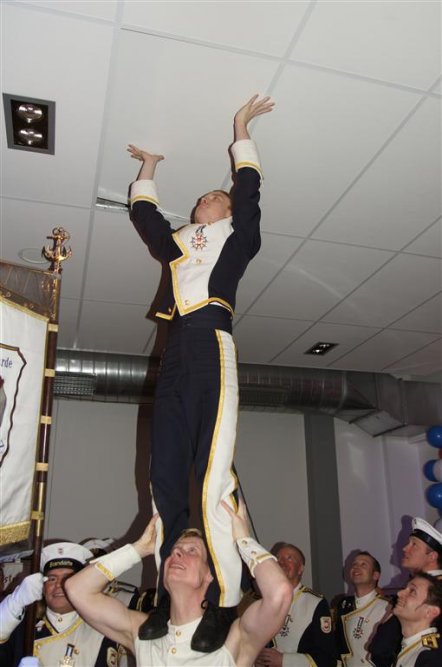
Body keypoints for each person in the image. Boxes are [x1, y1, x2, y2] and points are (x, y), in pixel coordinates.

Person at [126, 94, 274, 651]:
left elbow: (249, 193)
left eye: (213, 196)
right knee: (164, 474)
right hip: (176, 353)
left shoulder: (239, 239)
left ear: (227, 212)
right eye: (200, 198)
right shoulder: (178, 245)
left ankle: (226, 600)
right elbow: (145, 218)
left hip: (213, 343)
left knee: (212, 474)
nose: (203, 200)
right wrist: (148, 168)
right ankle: (171, 599)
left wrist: (240, 131)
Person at [65, 501, 293, 667]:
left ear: (210, 575)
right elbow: (76, 590)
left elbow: (280, 594)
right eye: (174, 551)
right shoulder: (143, 633)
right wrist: (138, 549)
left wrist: (243, 540)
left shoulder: (232, 638)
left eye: (192, 551)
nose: (177, 554)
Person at [0, 542, 124, 666]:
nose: (58, 585)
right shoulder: (22, 629)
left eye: (67, 579)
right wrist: (15, 602)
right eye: (52, 579)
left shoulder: (102, 631)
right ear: (43, 587)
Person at [369, 518, 442, 667]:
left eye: (414, 544)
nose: (404, 548)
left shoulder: (437, 594)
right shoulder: (408, 589)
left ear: (432, 556)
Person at [255, 542, 337, 667]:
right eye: (278, 559)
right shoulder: (262, 602)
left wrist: (284, 660)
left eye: (289, 558)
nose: (281, 562)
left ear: (300, 569)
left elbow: (327, 659)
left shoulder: (315, 602)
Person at [334, 551, 390, 666]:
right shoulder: (344, 605)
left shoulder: (386, 607)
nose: (356, 567)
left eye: (363, 564)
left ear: (375, 575)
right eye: (354, 564)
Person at [391, 572, 442, 666]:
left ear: (430, 612)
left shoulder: (431, 656)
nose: (399, 593)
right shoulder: (409, 645)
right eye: (404, 588)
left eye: (412, 591)